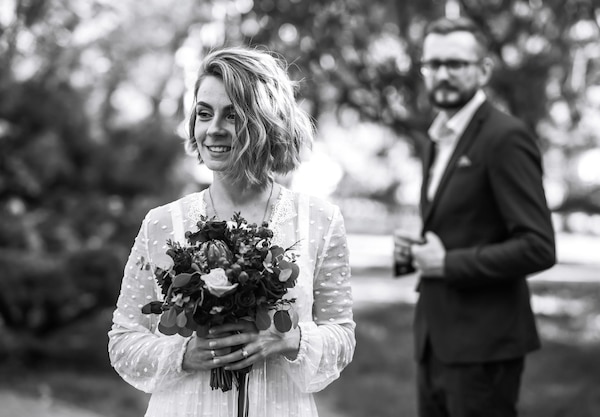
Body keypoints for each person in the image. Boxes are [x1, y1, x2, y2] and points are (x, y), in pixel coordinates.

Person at [108, 46, 356, 417]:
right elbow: (123, 341)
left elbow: (342, 335)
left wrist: (290, 339)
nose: (213, 129)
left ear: (266, 122)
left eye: (233, 115)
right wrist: (184, 355)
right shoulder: (162, 224)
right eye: (204, 114)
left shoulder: (320, 221)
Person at [394, 17, 556, 417]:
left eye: (455, 64)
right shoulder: (438, 139)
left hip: (484, 349)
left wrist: (448, 263)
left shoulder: (505, 137)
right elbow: (460, 222)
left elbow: (539, 246)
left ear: (483, 70)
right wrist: (414, 248)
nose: (442, 74)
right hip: (434, 339)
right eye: (432, 65)